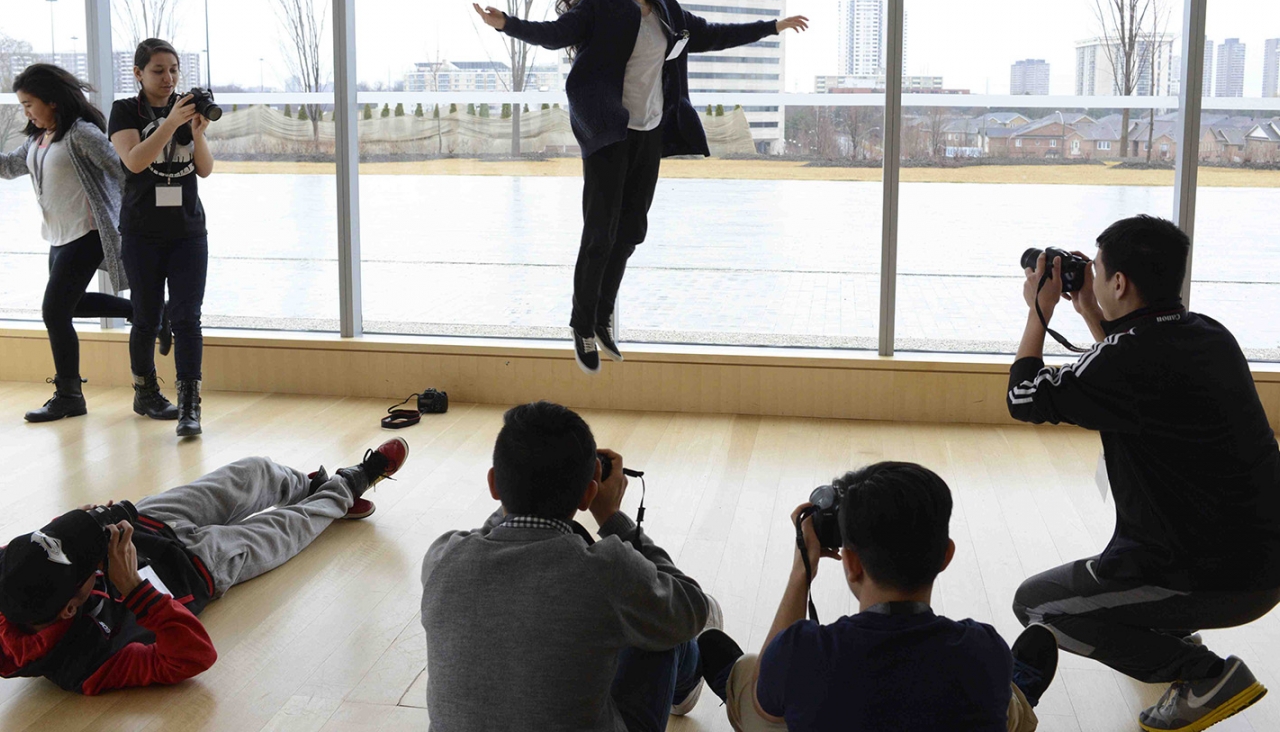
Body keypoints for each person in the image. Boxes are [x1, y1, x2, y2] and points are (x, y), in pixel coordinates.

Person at [474, 0, 808, 375]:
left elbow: (713, 35)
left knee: (630, 231)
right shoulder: (599, 8)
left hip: (648, 132)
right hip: (609, 131)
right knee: (599, 233)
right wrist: (506, 24)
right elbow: (553, 34)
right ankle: (581, 323)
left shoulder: (666, 8)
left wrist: (772, 26)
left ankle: (603, 316)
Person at [1008, 214, 1280, 731]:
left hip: (1208, 577)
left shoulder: (1128, 359)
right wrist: (1091, 311)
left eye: (1098, 272)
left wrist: (1038, 312)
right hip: (1266, 564)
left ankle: (1202, 674)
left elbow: (1023, 397)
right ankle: (1171, 634)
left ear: (1119, 282)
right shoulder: (1208, 335)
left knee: (1040, 606)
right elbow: (1126, 371)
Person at [0, 436, 408, 695]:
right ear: (70, 607)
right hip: (197, 568)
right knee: (291, 526)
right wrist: (135, 591)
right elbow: (194, 657)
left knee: (254, 470)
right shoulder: (86, 666)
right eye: (87, 563)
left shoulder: (10, 575)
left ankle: (310, 485)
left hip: (147, 521)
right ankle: (348, 484)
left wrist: (72, 526)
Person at [693, 461, 1056, 732]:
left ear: (850, 562)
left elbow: (764, 705)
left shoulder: (804, 652)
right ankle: (1017, 692)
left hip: (792, 688)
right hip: (975, 682)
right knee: (1003, 700)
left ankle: (737, 684)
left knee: (753, 679)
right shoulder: (984, 648)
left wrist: (802, 570)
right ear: (946, 555)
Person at [420, 400, 717, 731]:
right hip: (634, 601)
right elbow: (692, 607)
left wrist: (515, 493)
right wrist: (612, 518)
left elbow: (485, 536)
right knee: (661, 626)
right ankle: (687, 682)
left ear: (493, 483)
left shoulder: (442, 558)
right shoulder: (606, 570)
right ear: (588, 495)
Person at [0, 64, 136, 422]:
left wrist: (130, 223)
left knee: (54, 311)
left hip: (87, 232)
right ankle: (144, 313)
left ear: (53, 101)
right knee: (69, 307)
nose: (26, 111)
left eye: (29, 104)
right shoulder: (39, 138)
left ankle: (69, 395)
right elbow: (11, 168)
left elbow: (124, 172)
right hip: (59, 236)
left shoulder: (82, 134)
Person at [108, 39, 215, 437]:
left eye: (173, 69)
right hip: (141, 232)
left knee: (187, 318)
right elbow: (134, 160)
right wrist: (170, 122)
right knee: (147, 316)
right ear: (138, 73)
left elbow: (203, 169)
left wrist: (198, 133)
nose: (168, 78)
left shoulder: (187, 108)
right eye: (158, 70)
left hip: (188, 231)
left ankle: (190, 406)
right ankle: (146, 391)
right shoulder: (124, 111)